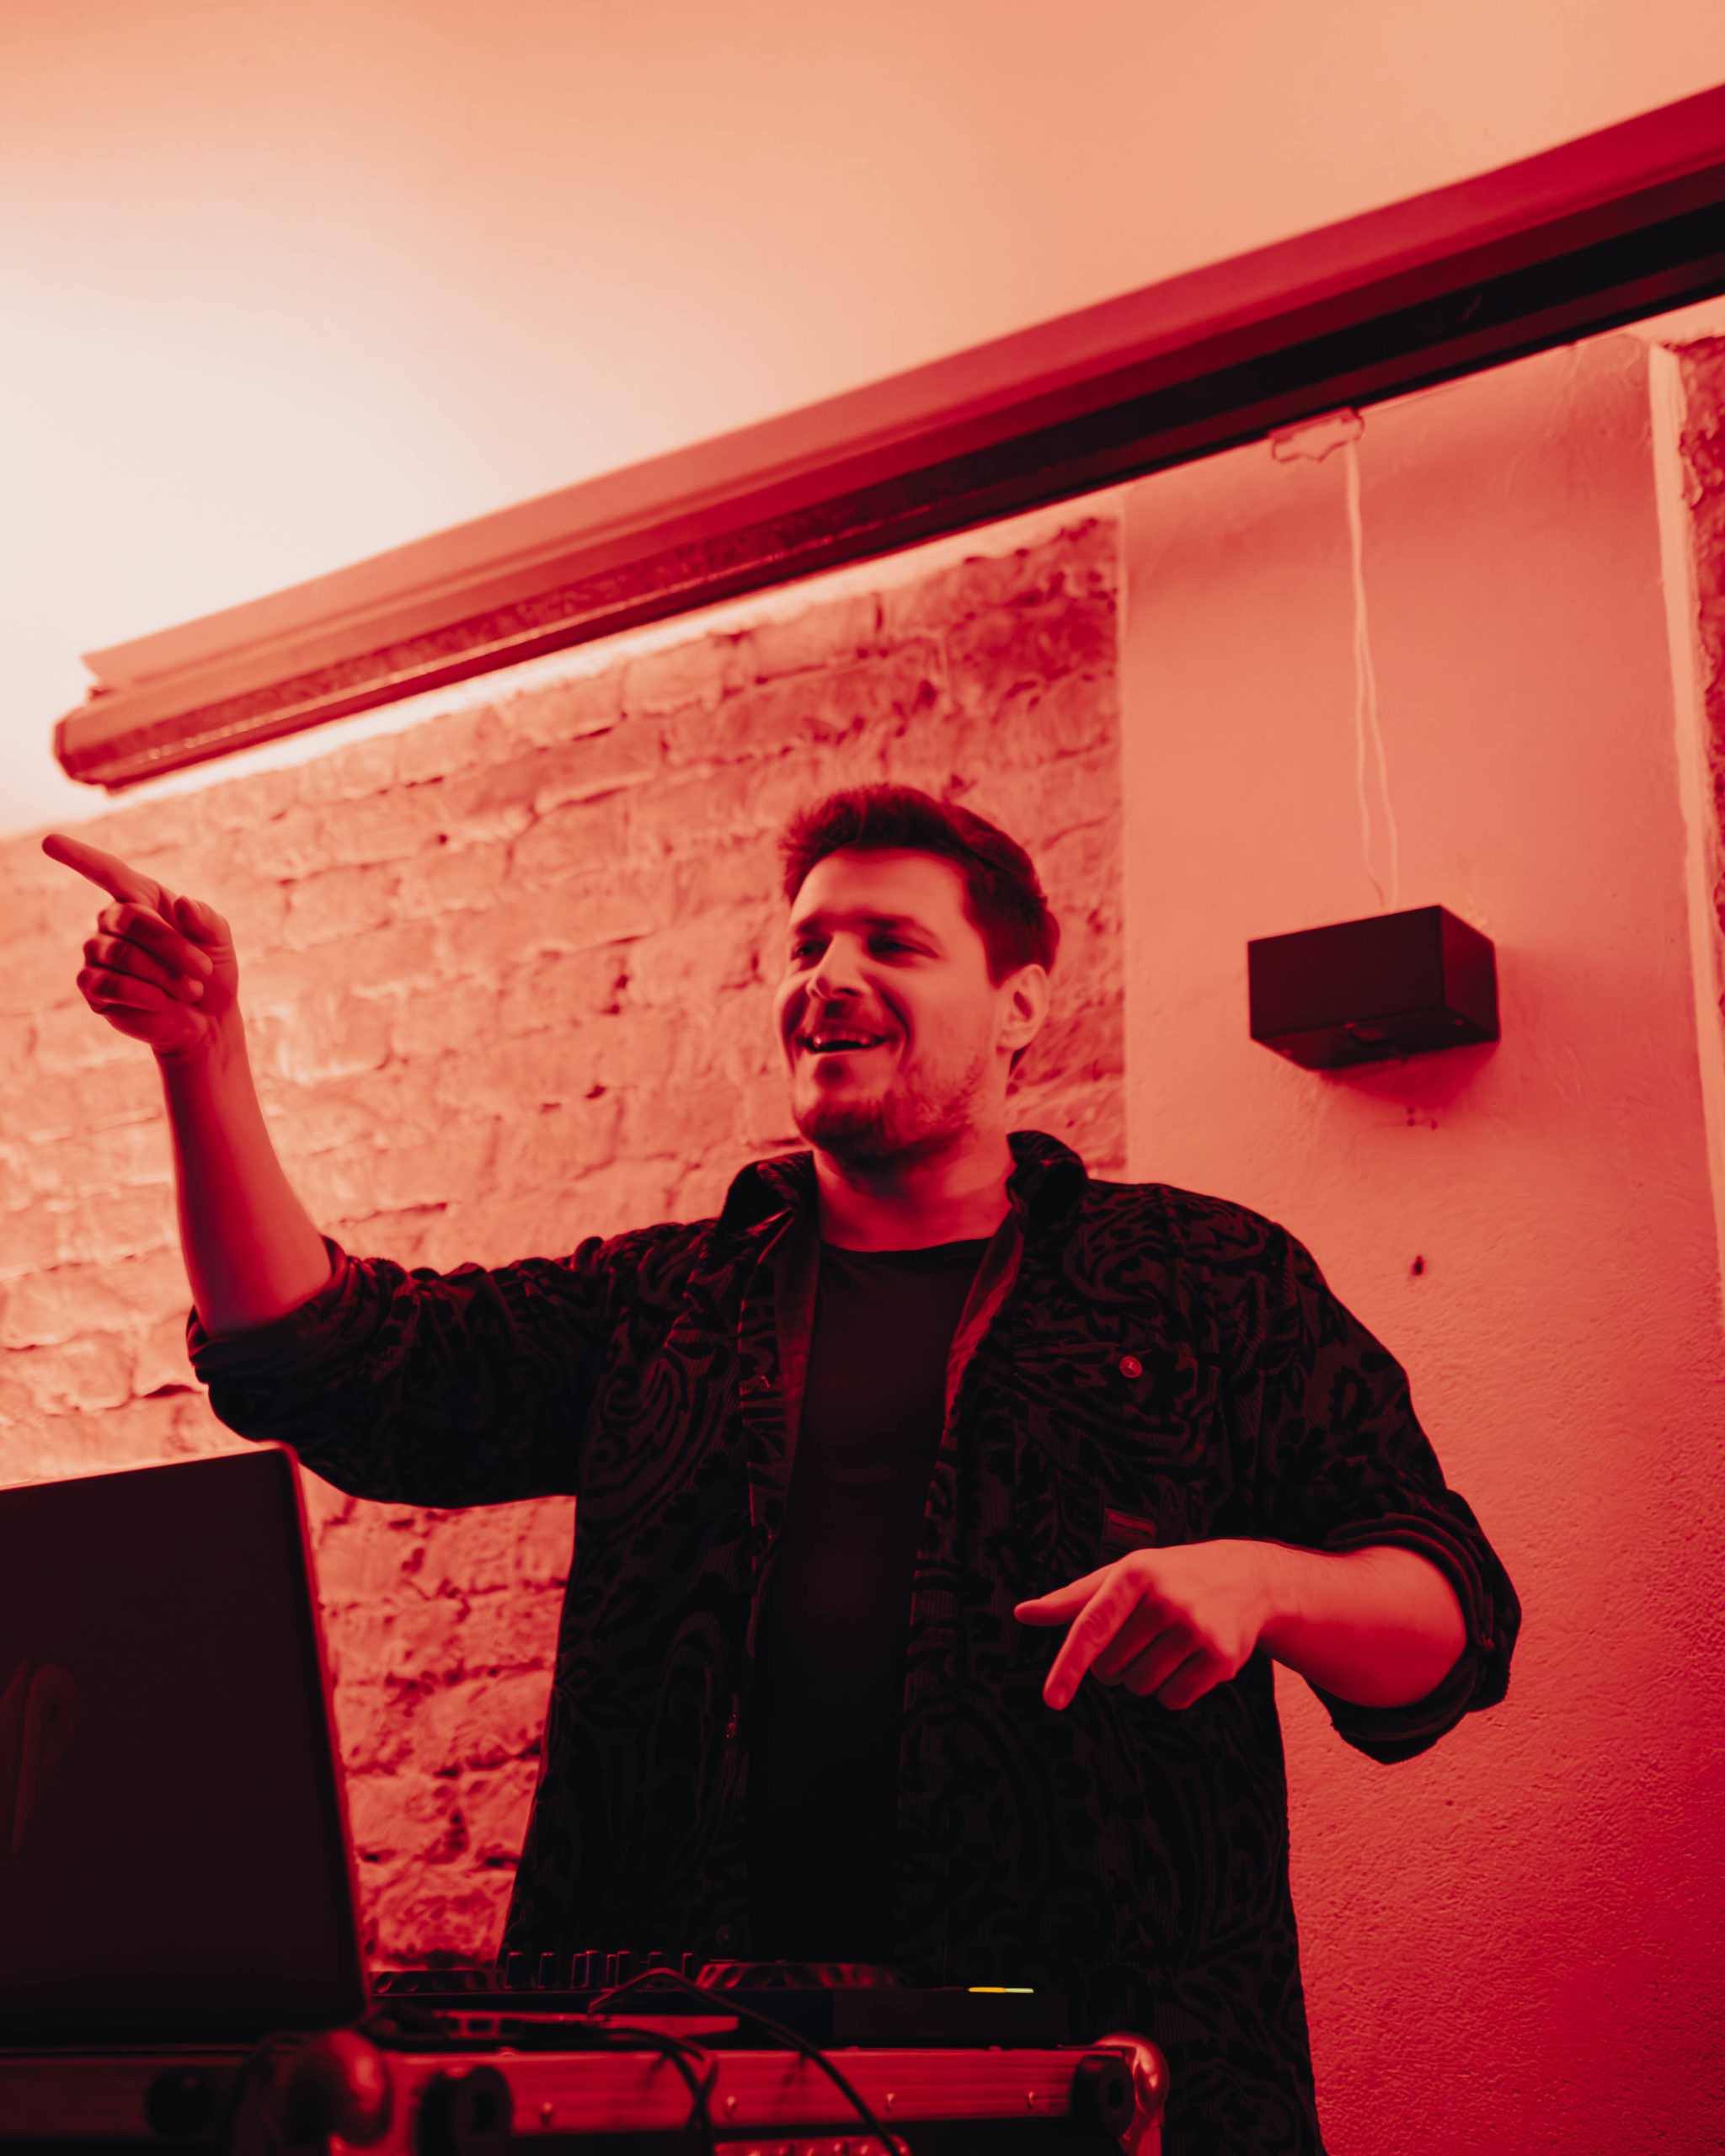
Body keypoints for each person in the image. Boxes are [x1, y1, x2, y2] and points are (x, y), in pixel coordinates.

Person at [46, 784, 1518, 2156]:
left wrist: (1263, 1585)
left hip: (1106, 2082)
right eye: (807, 943)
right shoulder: (657, 1306)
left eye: (892, 942)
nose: (830, 974)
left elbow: (1450, 1618)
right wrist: (202, 1057)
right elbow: (330, 1359)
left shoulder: (1207, 1280)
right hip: (673, 2088)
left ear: (1021, 1006)